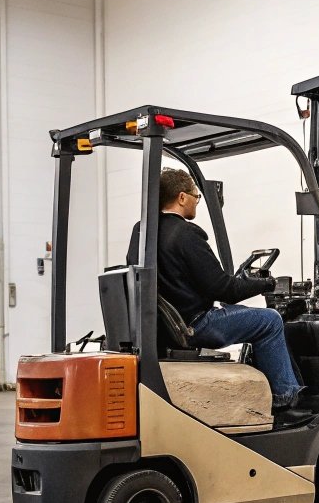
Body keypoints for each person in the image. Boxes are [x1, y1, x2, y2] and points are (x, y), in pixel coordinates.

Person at [127, 168, 305, 412]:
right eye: (195, 196)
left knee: (237, 311)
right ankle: (285, 395)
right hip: (196, 325)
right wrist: (268, 284)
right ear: (181, 198)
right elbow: (225, 289)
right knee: (270, 320)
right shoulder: (186, 234)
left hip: (164, 327)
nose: (196, 202)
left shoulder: (142, 231)